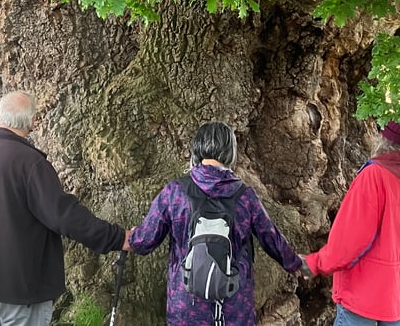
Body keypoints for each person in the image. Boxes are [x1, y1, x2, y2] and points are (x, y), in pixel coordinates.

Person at [0, 90, 131, 325]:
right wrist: (117, 238)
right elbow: (64, 216)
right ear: (32, 122)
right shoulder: (30, 163)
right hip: (16, 286)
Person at [128, 121, 303, 325]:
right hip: (234, 307)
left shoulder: (175, 192)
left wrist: (129, 238)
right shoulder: (245, 196)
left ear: (197, 149)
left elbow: (144, 241)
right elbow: (270, 237)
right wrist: (295, 263)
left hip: (186, 307)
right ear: (230, 152)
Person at [299, 119, 400, 325]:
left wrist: (315, 263)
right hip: (397, 297)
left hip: (361, 296)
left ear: (382, 139)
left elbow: (350, 241)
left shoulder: (373, 176)